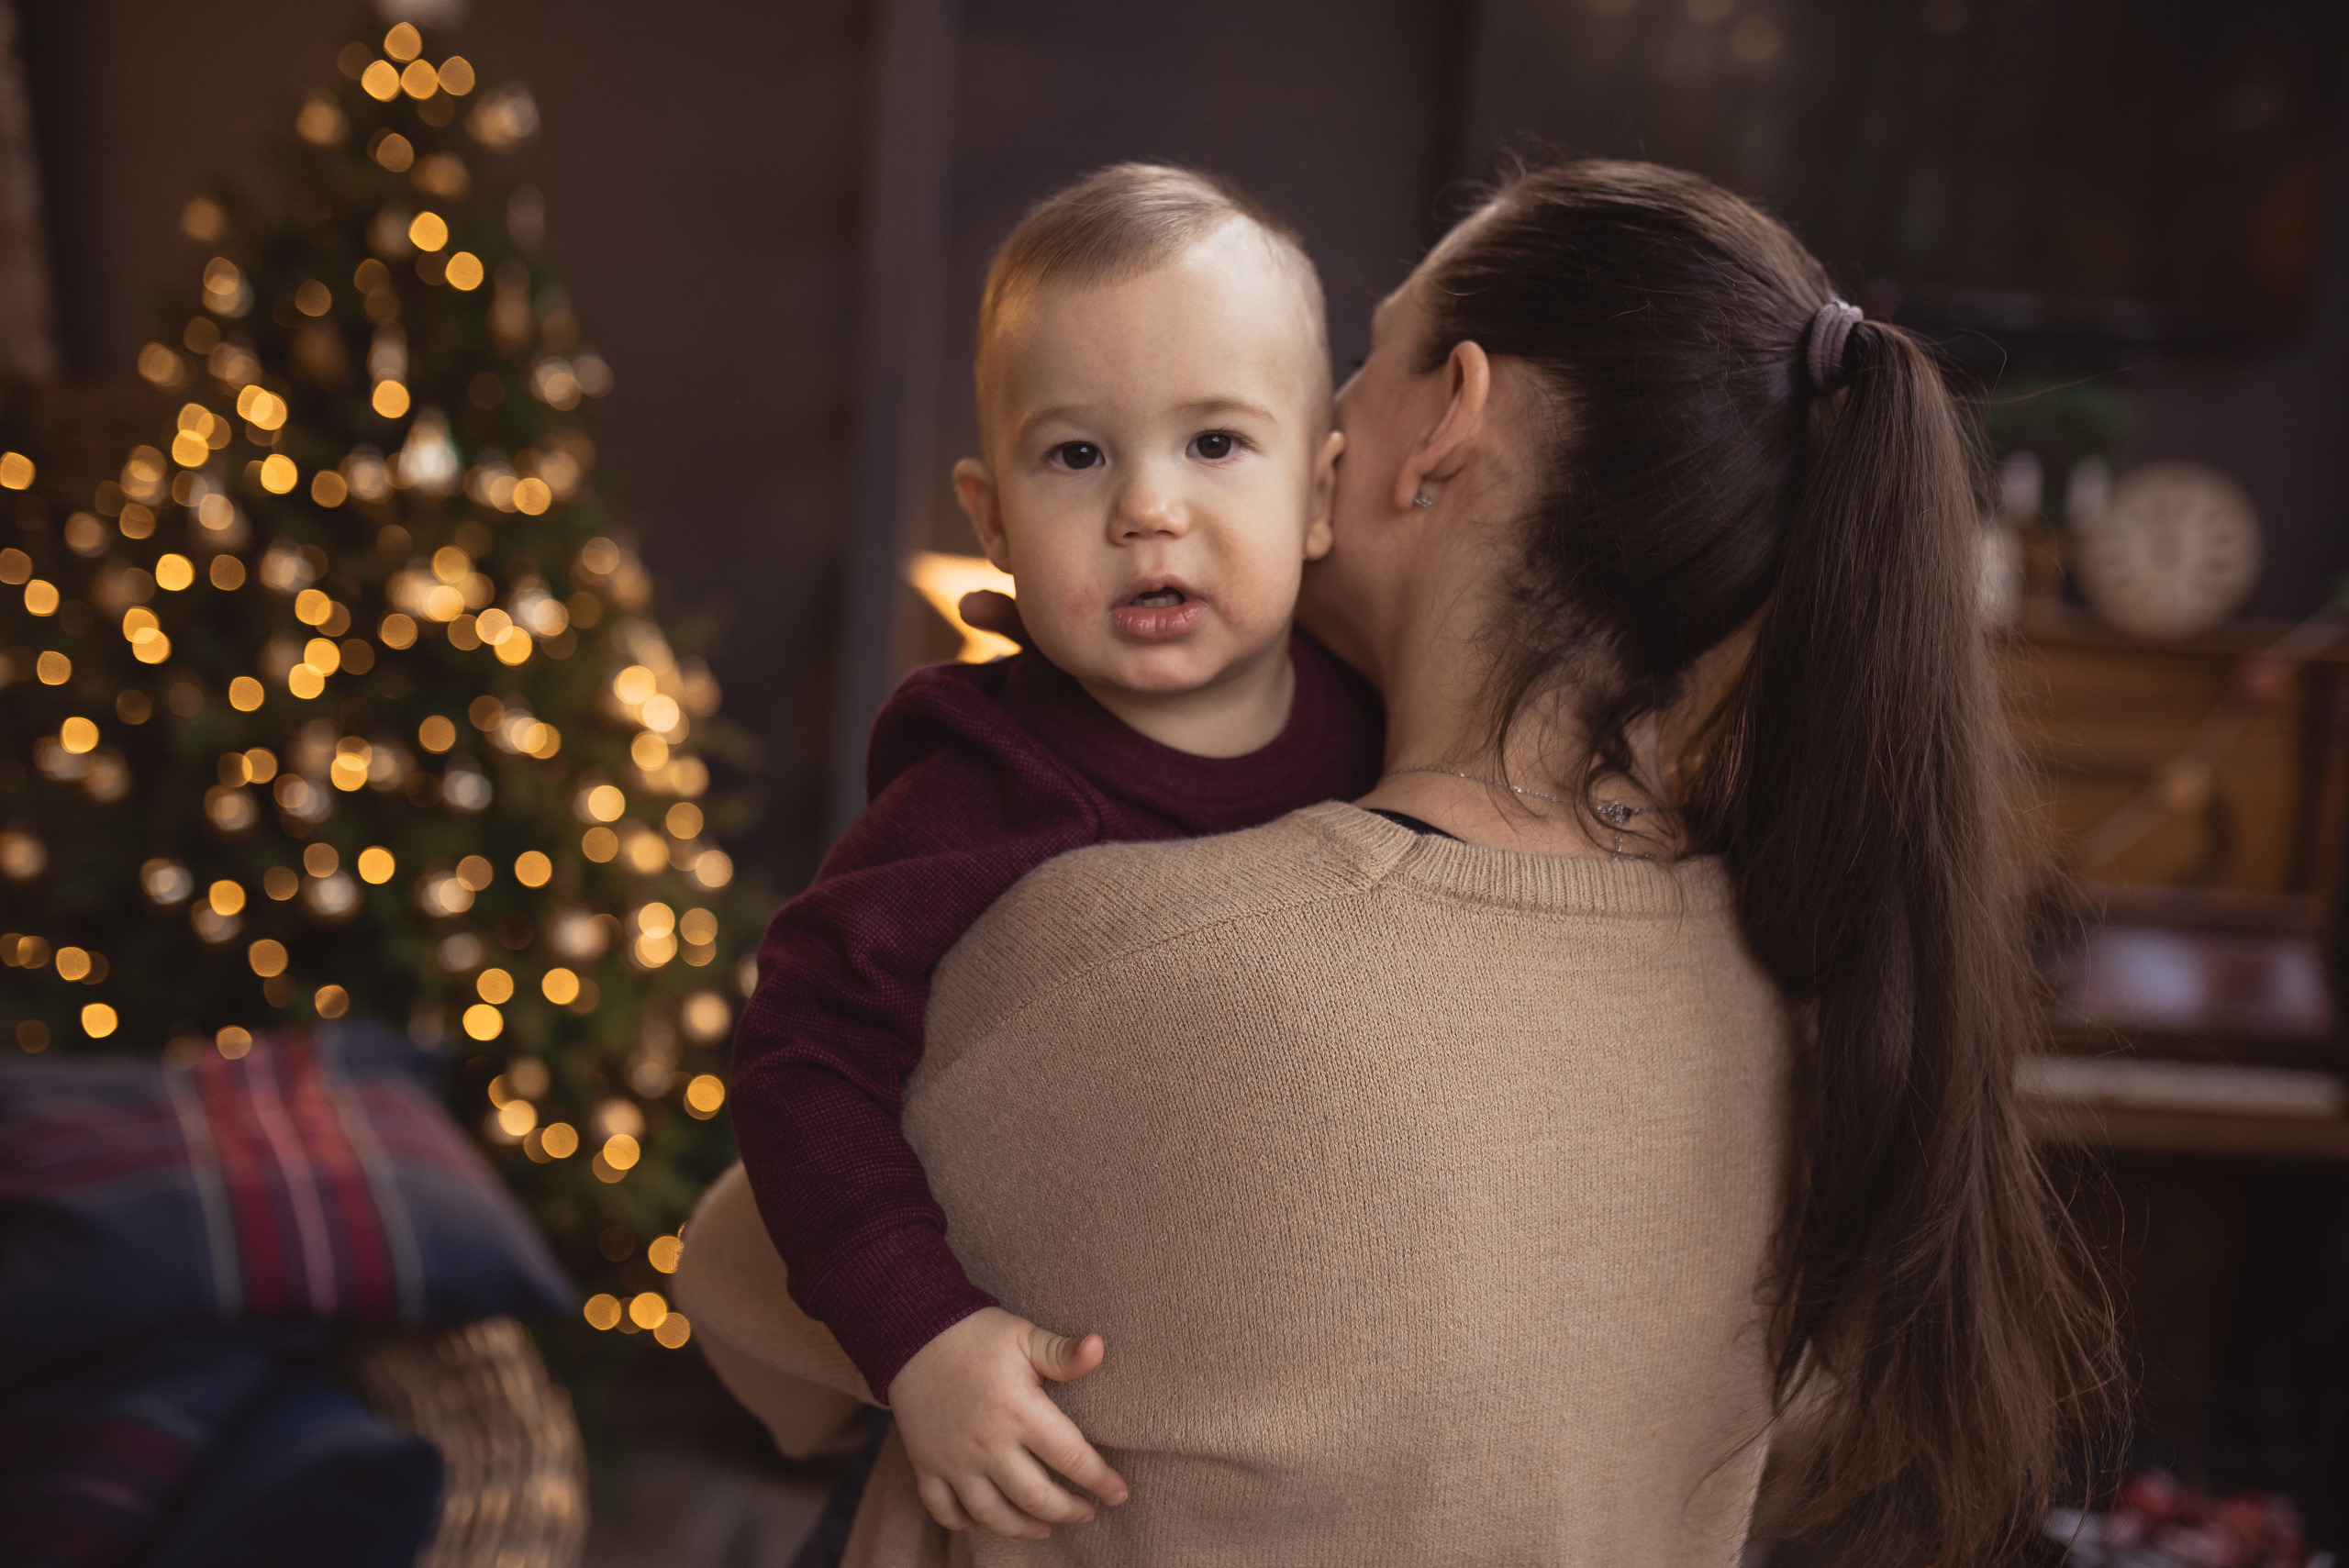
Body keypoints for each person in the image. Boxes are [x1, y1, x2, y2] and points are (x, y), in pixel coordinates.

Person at [686, 158, 2115, 1565]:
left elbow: (743, 1288)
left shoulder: (1134, 954)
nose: (1156, 505)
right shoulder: (1776, 989)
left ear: (1446, 423)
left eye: (1362, 360)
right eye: (1081, 455)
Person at [727, 163, 1386, 1540]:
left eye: (1215, 443)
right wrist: (919, 1336)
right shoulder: (980, 780)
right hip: (1004, 1397)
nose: (1147, 507)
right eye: (1078, 455)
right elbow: (803, 1055)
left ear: (1322, 491)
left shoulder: (1390, 728)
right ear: (992, 521)